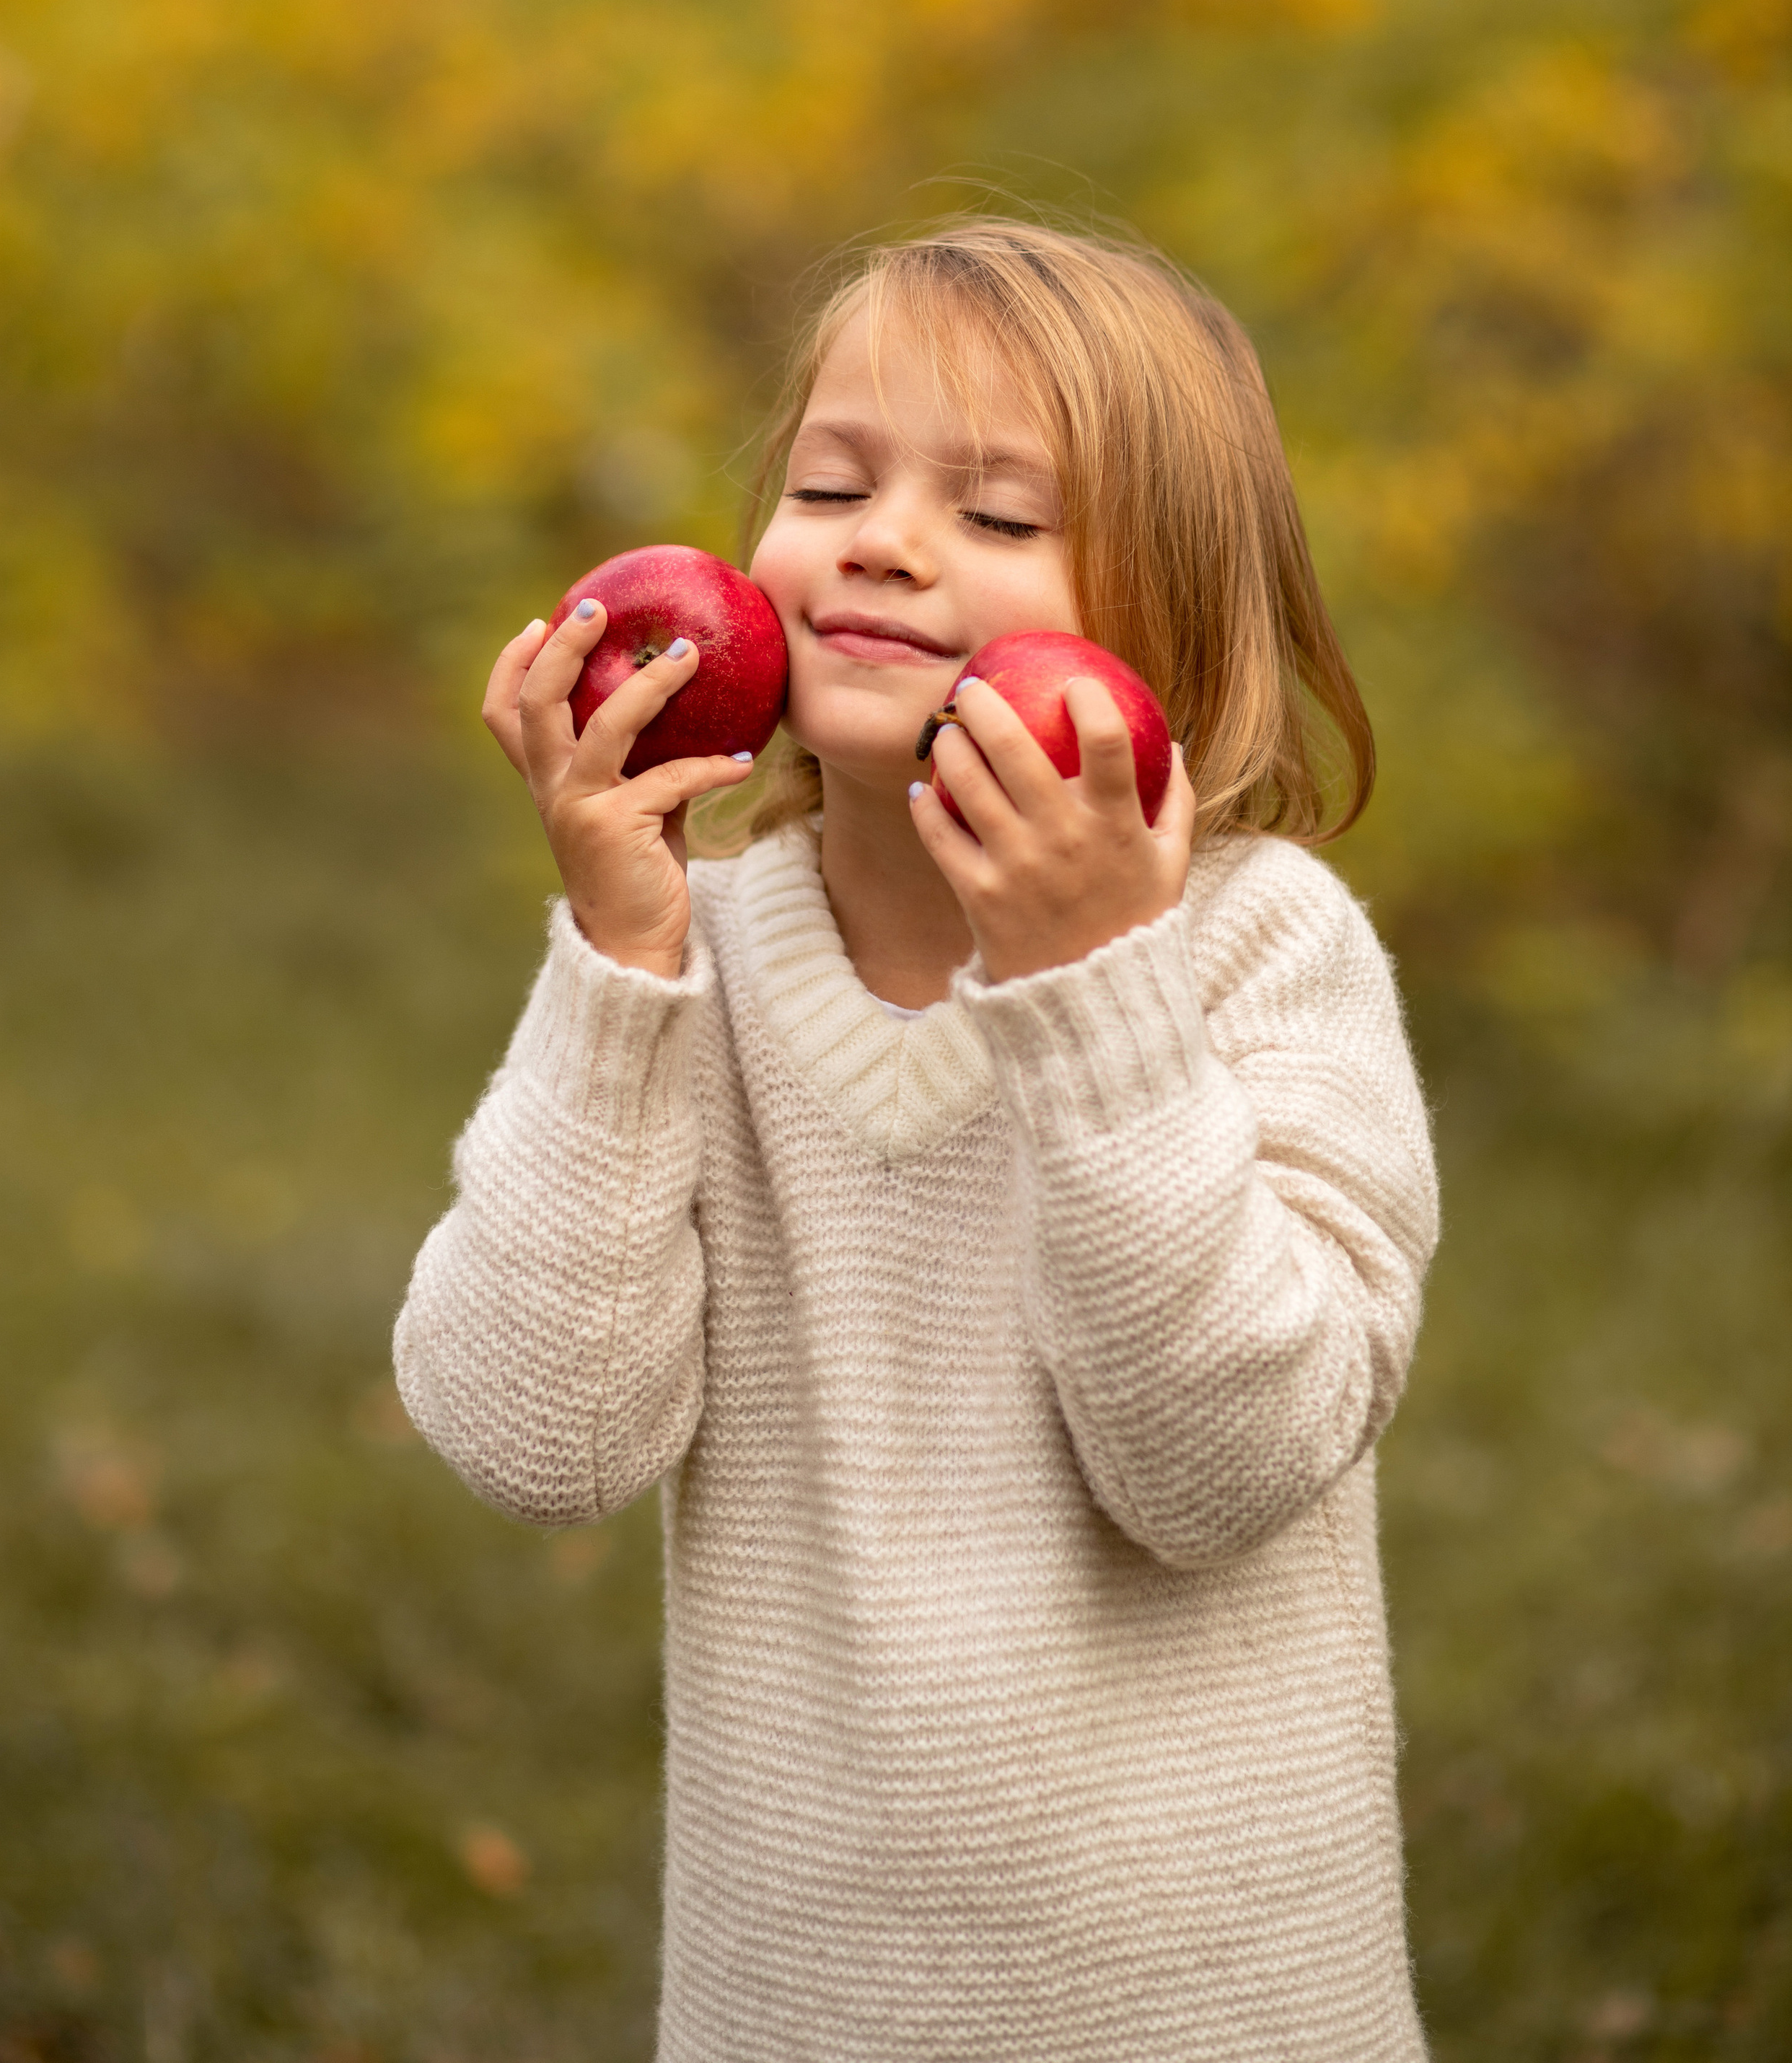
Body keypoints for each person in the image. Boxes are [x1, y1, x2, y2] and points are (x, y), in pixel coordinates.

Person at [395, 217, 1438, 2063]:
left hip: (1209, 2009)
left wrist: (1091, 990)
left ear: (1166, 617)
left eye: (998, 513)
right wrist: (619, 962)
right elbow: (538, 1439)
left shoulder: (1257, 952)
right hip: (802, 2005)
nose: (879, 540)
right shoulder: (690, 964)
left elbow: (1221, 1466)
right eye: (828, 485)